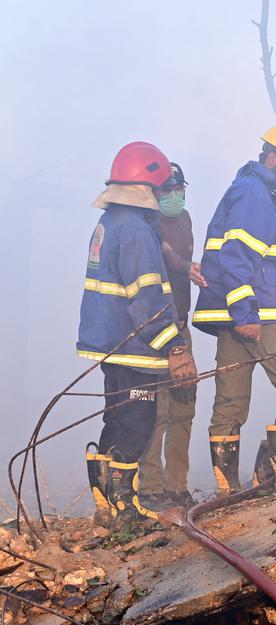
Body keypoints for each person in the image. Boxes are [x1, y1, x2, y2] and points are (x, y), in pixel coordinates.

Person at [192, 124, 276, 492]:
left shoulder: (246, 190)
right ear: (273, 157)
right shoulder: (254, 194)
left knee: (231, 399)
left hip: (232, 313)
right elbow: (238, 255)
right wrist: (247, 314)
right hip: (255, 313)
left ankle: (227, 487)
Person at [78, 142, 197, 526]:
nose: (166, 193)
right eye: (162, 186)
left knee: (115, 420)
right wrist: (176, 347)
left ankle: (105, 503)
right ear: (147, 187)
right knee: (137, 423)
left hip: (110, 342)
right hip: (134, 345)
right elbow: (148, 297)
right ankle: (125, 507)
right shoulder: (136, 233)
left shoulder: (109, 223)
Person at [138, 163, 207, 508]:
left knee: (184, 407)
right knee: (157, 410)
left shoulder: (186, 219)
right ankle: (150, 490)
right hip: (155, 330)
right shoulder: (147, 222)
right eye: (168, 190)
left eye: (180, 188)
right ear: (155, 192)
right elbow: (164, 254)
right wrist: (185, 266)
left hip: (181, 324)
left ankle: (176, 487)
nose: (175, 196)